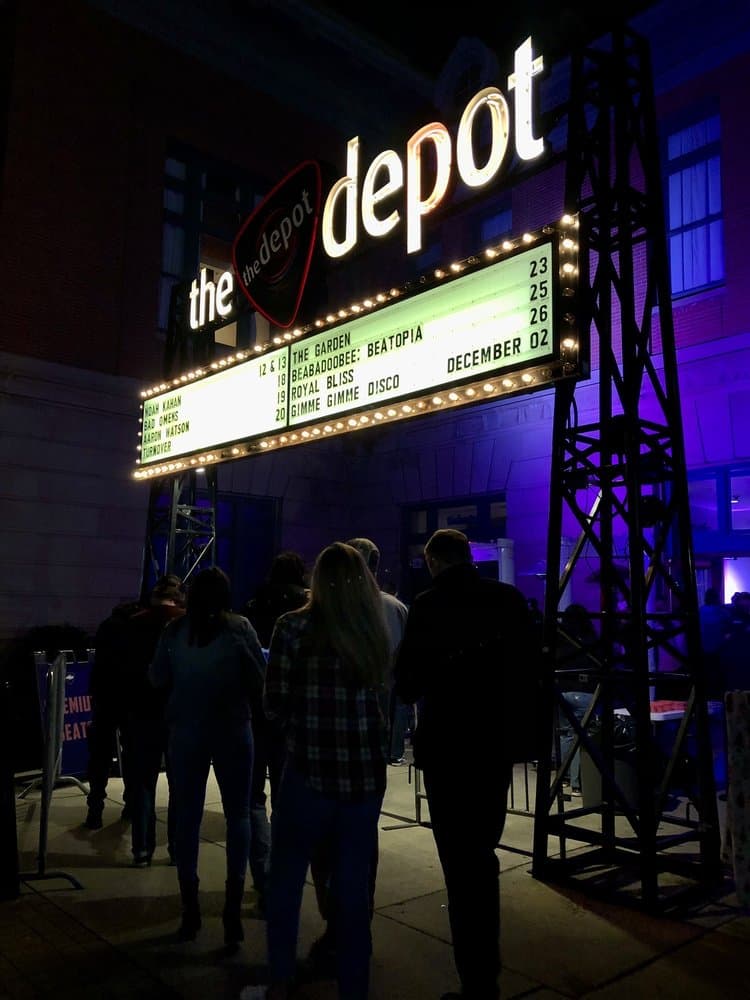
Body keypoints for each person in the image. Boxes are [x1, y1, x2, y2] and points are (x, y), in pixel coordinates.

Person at [394, 528, 536, 1000]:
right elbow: (528, 670)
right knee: (483, 853)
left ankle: (475, 978)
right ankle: (485, 974)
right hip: (492, 746)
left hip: (447, 749)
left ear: (434, 561)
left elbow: (407, 685)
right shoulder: (509, 600)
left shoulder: (429, 606)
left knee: (458, 863)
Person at [245, 542, 390, 1000]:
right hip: (364, 779)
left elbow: (274, 703)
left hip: (308, 772)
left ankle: (282, 979)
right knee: (352, 891)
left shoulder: (293, 627)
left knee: (287, 880)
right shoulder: (373, 628)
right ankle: (354, 987)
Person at [149, 566, 266, 947]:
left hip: (185, 730)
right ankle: (232, 908)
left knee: (187, 815)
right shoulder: (239, 628)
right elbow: (259, 677)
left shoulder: (175, 631)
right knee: (239, 815)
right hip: (233, 728)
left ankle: (190, 909)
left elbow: (157, 677)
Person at [244, 551, 309, 914]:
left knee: (253, 798)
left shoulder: (254, 603)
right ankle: (285, 877)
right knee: (287, 797)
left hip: (256, 712)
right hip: (293, 715)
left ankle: (263, 877)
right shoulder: (309, 606)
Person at [120, 574, 185, 866]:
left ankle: (142, 850)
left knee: (143, 782)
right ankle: (176, 847)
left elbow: (125, 669)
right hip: (177, 713)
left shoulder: (134, 623)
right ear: (177, 597)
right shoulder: (184, 622)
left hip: (142, 711)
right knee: (179, 783)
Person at [84, 597, 141, 829]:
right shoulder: (137, 628)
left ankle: (95, 809)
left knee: (100, 756)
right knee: (131, 754)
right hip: (130, 699)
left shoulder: (107, 626)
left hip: (105, 698)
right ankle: (130, 805)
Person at [555, 603, 598, 795]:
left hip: (562, 690)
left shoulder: (561, 639)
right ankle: (577, 783)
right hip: (585, 691)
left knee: (565, 734)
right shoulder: (591, 641)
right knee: (582, 737)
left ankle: (563, 777)